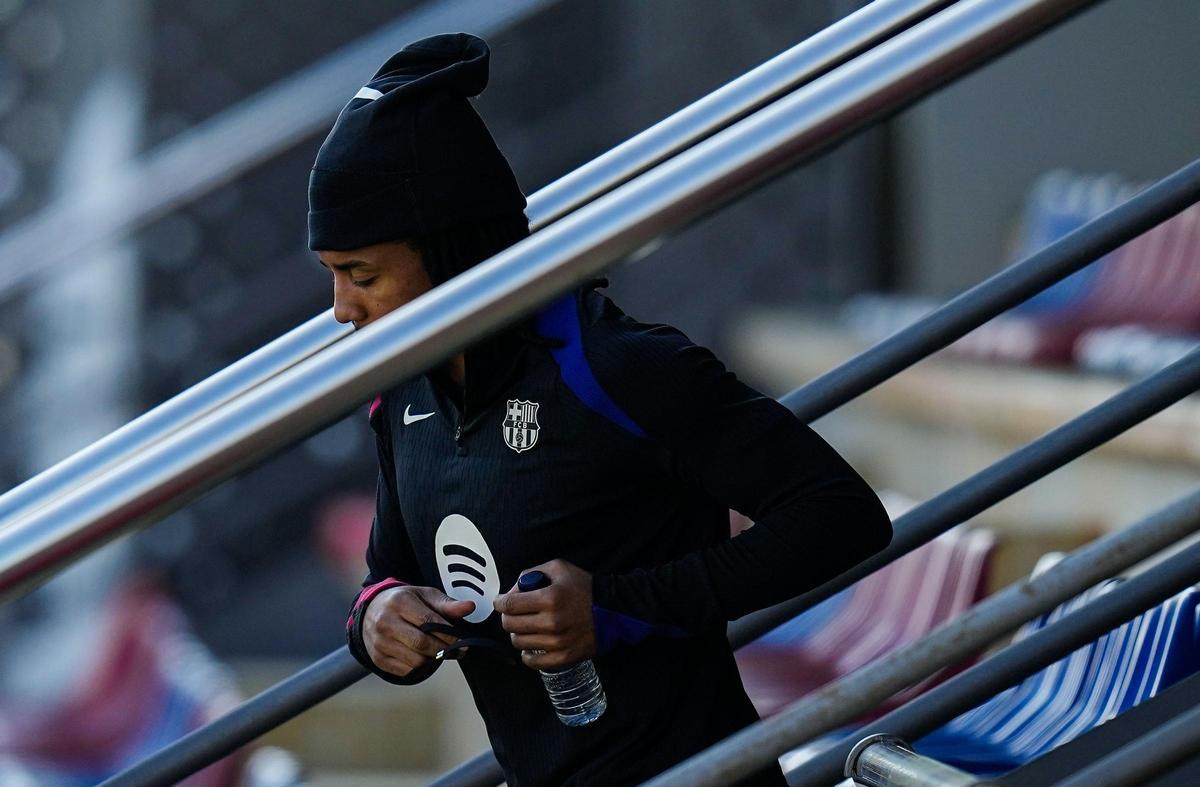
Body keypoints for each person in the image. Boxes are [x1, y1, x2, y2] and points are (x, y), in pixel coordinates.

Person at [310, 33, 892, 787]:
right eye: (331, 275)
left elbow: (840, 513)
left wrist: (614, 608)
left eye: (362, 275)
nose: (340, 309)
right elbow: (388, 572)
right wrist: (377, 619)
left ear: (451, 254)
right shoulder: (405, 398)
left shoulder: (614, 366)